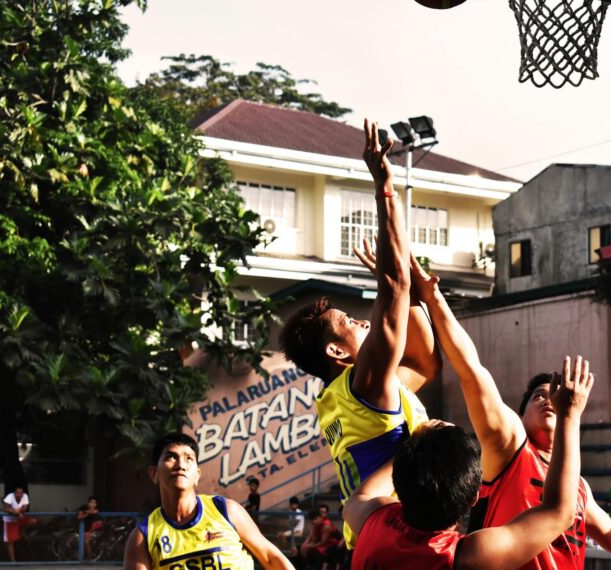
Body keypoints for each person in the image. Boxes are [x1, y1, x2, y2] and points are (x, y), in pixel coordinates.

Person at [413, 263, 611, 569]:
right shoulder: (510, 446)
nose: (550, 400)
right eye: (538, 397)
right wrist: (434, 299)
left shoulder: (579, 486)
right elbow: (471, 370)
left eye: (556, 396)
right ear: (518, 417)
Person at [278, 120, 438, 548]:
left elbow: (424, 363)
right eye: (351, 323)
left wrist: (405, 293)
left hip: (375, 537)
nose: (364, 321)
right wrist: (384, 188)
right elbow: (395, 287)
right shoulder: (363, 384)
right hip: (393, 537)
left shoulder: (351, 396)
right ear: (336, 350)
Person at [344, 355, 594, 569]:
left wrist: (416, 444)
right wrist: (569, 415)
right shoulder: (463, 557)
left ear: (398, 481)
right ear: (475, 496)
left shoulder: (371, 520)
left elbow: (359, 497)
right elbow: (560, 512)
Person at [122, 432, 292, 570]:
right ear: (153, 473)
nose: (181, 464)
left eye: (189, 458)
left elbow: (271, 558)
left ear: (197, 475)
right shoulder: (143, 537)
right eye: (171, 457)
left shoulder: (227, 510)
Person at [2, 486, 30, 562]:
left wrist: (19, 511)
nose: (19, 494)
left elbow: (25, 508)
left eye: (21, 493)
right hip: (9, 521)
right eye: (17, 492)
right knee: (10, 542)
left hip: (19, 519)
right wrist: (14, 512)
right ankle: (13, 561)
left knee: (33, 521)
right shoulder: (10, 496)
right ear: (14, 493)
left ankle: (24, 534)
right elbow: (5, 508)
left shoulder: (25, 496)